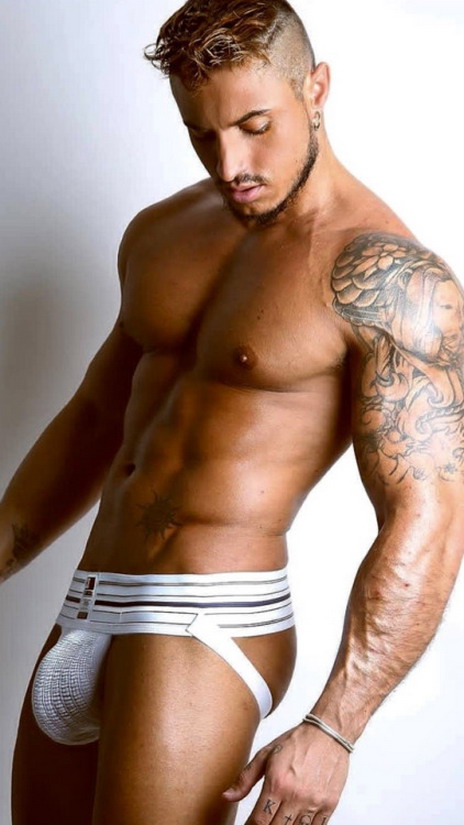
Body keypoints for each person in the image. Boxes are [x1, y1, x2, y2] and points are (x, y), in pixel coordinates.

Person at [2, 0, 463, 823]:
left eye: (255, 126)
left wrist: (335, 725)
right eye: (201, 133)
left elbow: (427, 516)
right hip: (85, 604)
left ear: (316, 89)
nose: (231, 163)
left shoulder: (389, 278)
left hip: (206, 622)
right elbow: (95, 419)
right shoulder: (162, 232)